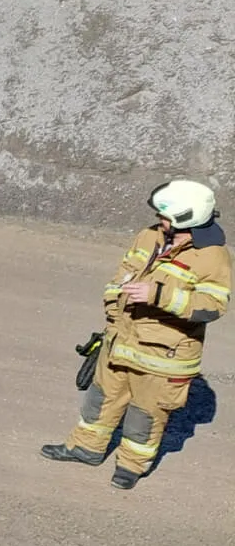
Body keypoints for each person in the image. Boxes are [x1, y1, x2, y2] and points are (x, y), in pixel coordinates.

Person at [42, 179, 229, 488]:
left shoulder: (212, 256)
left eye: (164, 215)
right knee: (101, 400)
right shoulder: (148, 236)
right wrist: (113, 311)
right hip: (121, 340)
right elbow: (123, 274)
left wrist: (157, 294)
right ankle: (86, 448)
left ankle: (131, 466)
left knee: (145, 415)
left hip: (162, 357)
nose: (159, 219)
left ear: (186, 217)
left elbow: (212, 306)